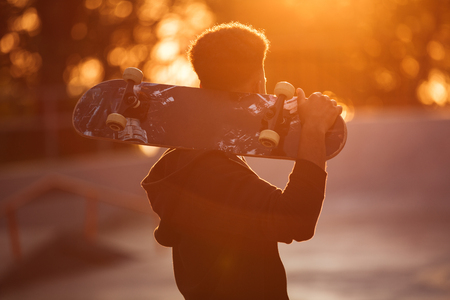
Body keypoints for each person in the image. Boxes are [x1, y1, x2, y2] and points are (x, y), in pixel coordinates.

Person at [141, 22, 342, 300]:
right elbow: (296, 219)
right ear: (257, 86)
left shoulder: (186, 164)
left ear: (201, 86)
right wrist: (314, 129)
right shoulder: (210, 172)